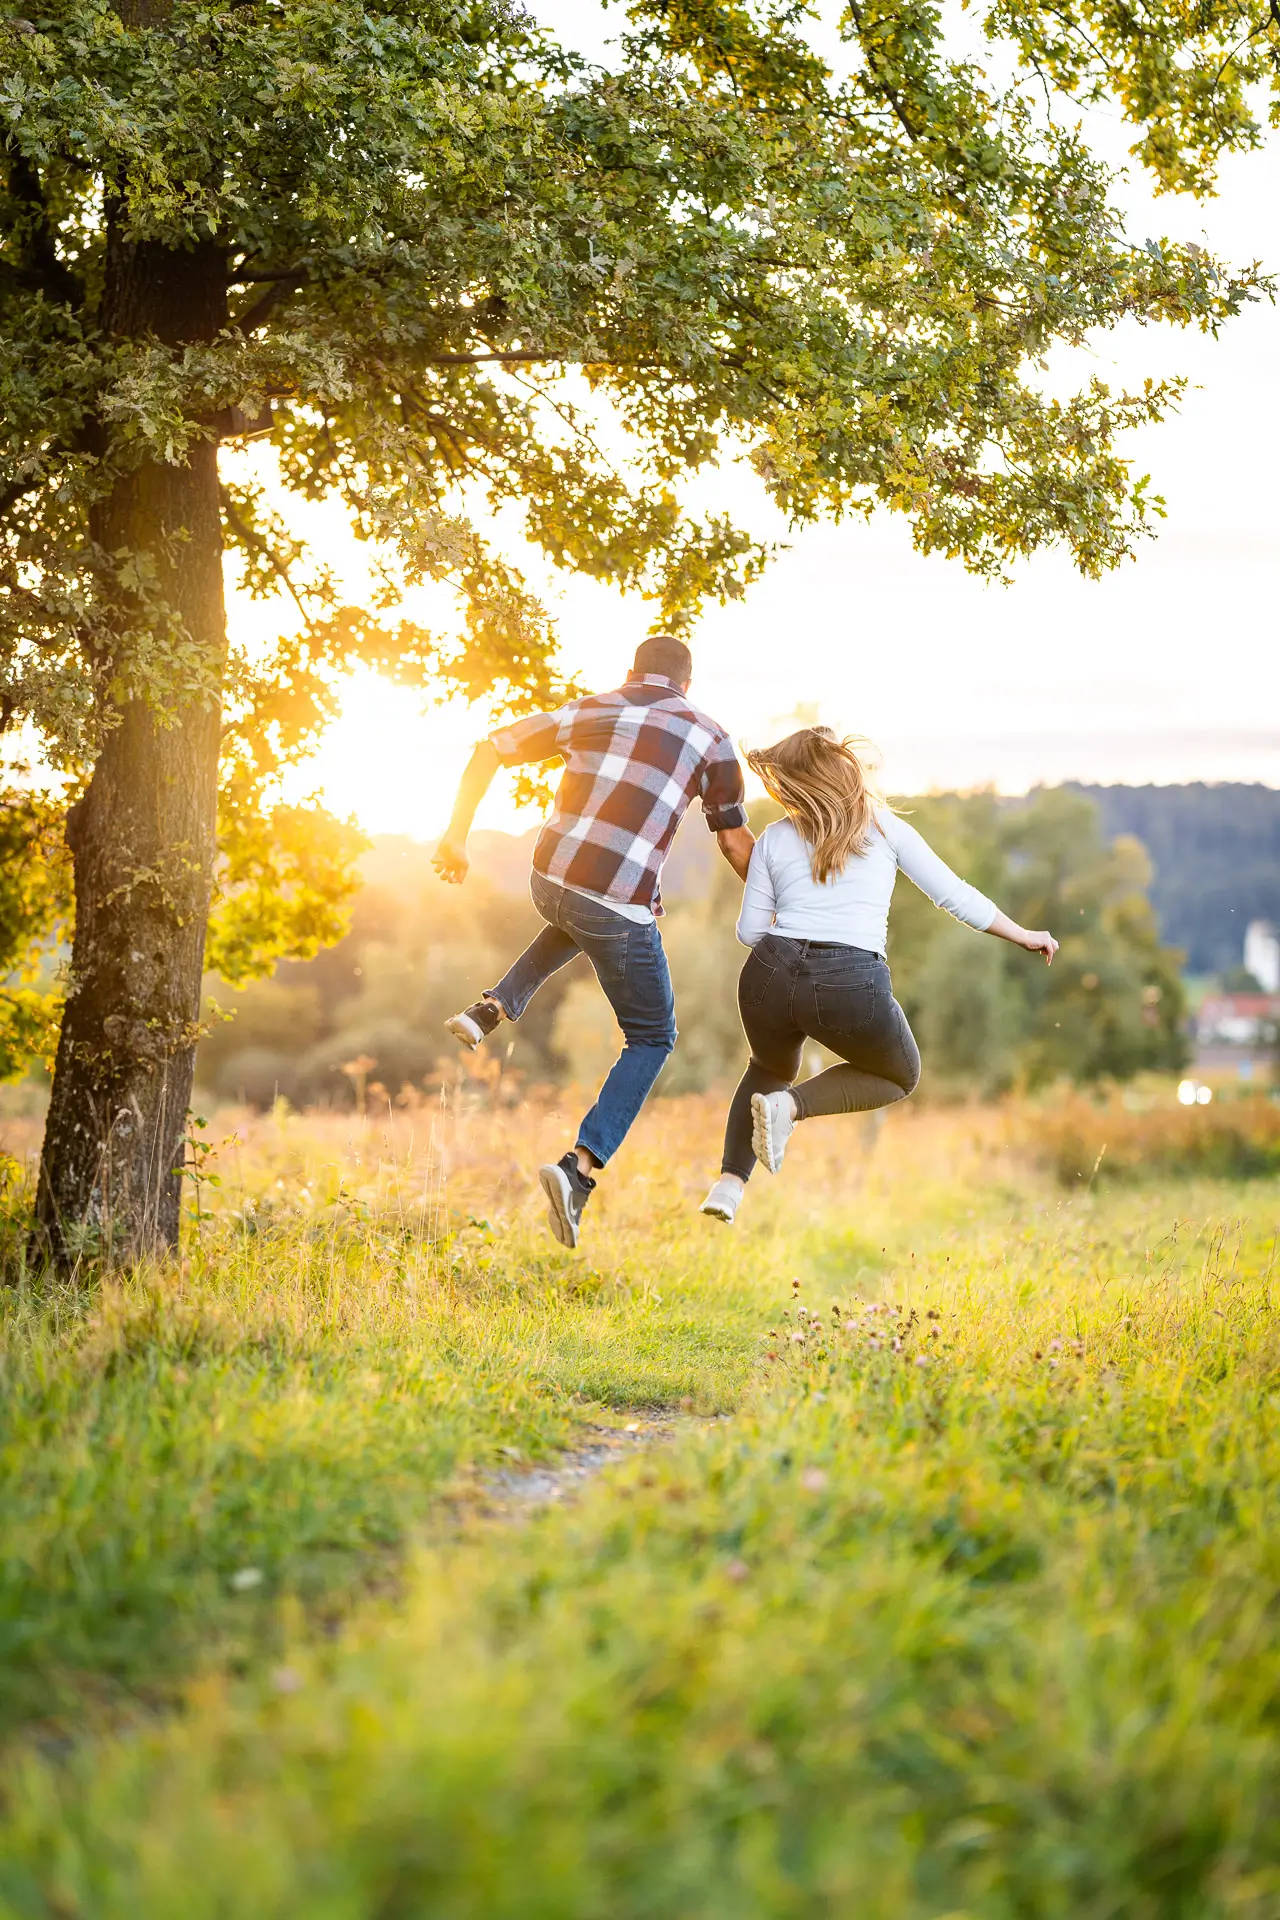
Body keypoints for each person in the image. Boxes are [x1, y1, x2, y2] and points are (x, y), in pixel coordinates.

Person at [432, 634, 754, 1247]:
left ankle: (493, 1006)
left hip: (547, 880)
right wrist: (784, 902)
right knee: (654, 1037)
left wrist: (456, 835)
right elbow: (736, 844)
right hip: (613, 904)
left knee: (576, 914)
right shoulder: (710, 737)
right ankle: (576, 1170)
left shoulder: (591, 708)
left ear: (631, 671)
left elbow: (490, 748)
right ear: (687, 686)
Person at [700, 727, 1057, 1224]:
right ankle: (791, 1107)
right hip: (849, 981)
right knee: (899, 1074)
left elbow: (749, 931)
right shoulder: (885, 828)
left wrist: (795, 918)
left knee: (766, 1066)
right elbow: (953, 894)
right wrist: (1021, 933)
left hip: (768, 975)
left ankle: (728, 1185)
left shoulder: (775, 839)